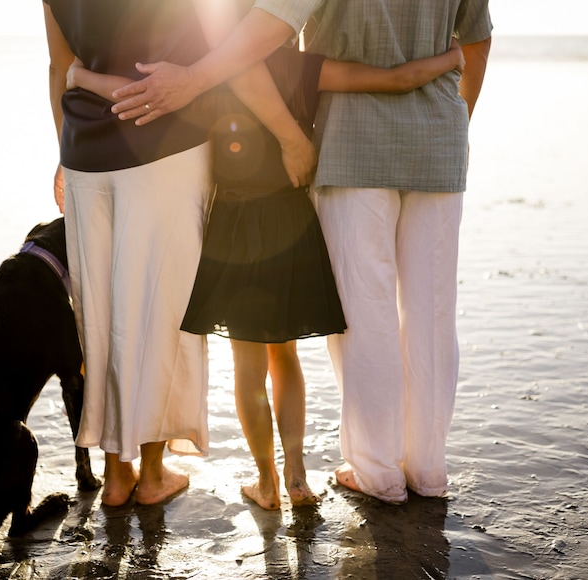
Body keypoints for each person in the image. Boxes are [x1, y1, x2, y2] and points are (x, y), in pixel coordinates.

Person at [68, 0, 470, 509]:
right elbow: (394, 79)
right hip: (292, 227)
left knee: (247, 362)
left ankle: (265, 482)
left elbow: (142, 92)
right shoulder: (303, 69)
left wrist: (79, 73)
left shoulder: (216, 78)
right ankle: (297, 475)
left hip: (233, 233)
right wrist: (448, 61)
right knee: (287, 357)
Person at [42, 0, 317, 507]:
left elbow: (62, 67)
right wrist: (288, 135)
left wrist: (63, 150)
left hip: (84, 151)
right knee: (159, 313)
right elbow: (229, 51)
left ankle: (115, 476)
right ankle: (151, 475)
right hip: (162, 146)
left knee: (98, 316)